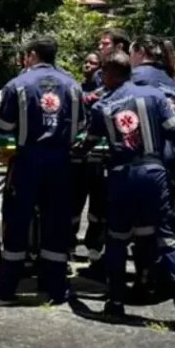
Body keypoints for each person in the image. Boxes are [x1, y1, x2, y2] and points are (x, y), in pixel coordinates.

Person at [77, 50, 175, 330]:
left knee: (116, 239)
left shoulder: (104, 105)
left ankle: (114, 303)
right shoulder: (154, 97)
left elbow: (88, 143)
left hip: (120, 177)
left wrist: (71, 154)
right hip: (154, 175)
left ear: (110, 74)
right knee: (169, 237)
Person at [0, 37, 84, 304]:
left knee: (17, 221)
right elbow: (79, 126)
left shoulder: (17, 85)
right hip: (61, 163)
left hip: (28, 160)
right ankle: (56, 288)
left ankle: (6, 288)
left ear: (31, 55)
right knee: (57, 223)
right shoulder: (72, 85)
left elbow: (3, 124)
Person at [71, 53, 106, 270]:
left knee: (99, 207)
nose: (87, 65)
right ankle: (69, 246)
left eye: (93, 63)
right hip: (79, 155)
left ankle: (95, 249)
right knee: (73, 203)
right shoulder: (77, 88)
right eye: (85, 61)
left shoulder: (106, 92)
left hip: (100, 156)